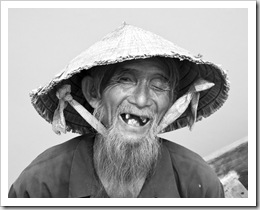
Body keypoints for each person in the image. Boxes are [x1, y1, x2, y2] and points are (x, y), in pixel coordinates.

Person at [9, 23, 229, 198]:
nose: (142, 100)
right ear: (93, 93)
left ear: (171, 102)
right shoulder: (40, 186)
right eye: (125, 80)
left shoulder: (198, 184)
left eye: (158, 85)